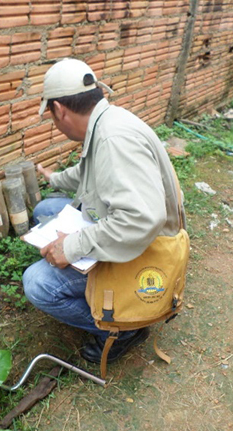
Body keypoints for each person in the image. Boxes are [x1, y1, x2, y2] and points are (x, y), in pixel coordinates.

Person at [22, 58, 186, 365]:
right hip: (124, 229)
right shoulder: (106, 121)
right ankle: (88, 288)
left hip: (144, 249)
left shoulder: (113, 140)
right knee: (47, 209)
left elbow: (140, 220)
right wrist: (54, 179)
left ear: (59, 109)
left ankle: (124, 328)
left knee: (36, 284)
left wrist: (73, 246)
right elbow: (87, 173)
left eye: (51, 116)